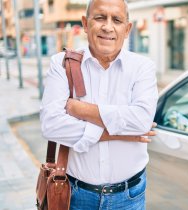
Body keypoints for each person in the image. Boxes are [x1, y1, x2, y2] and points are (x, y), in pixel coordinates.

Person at [40, 0, 158, 209]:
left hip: (129, 197)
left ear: (127, 28)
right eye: (100, 17)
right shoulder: (61, 63)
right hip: (75, 196)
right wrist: (119, 132)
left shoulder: (143, 68)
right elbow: (51, 125)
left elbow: (141, 120)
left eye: (117, 20)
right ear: (85, 24)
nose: (108, 27)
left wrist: (80, 110)